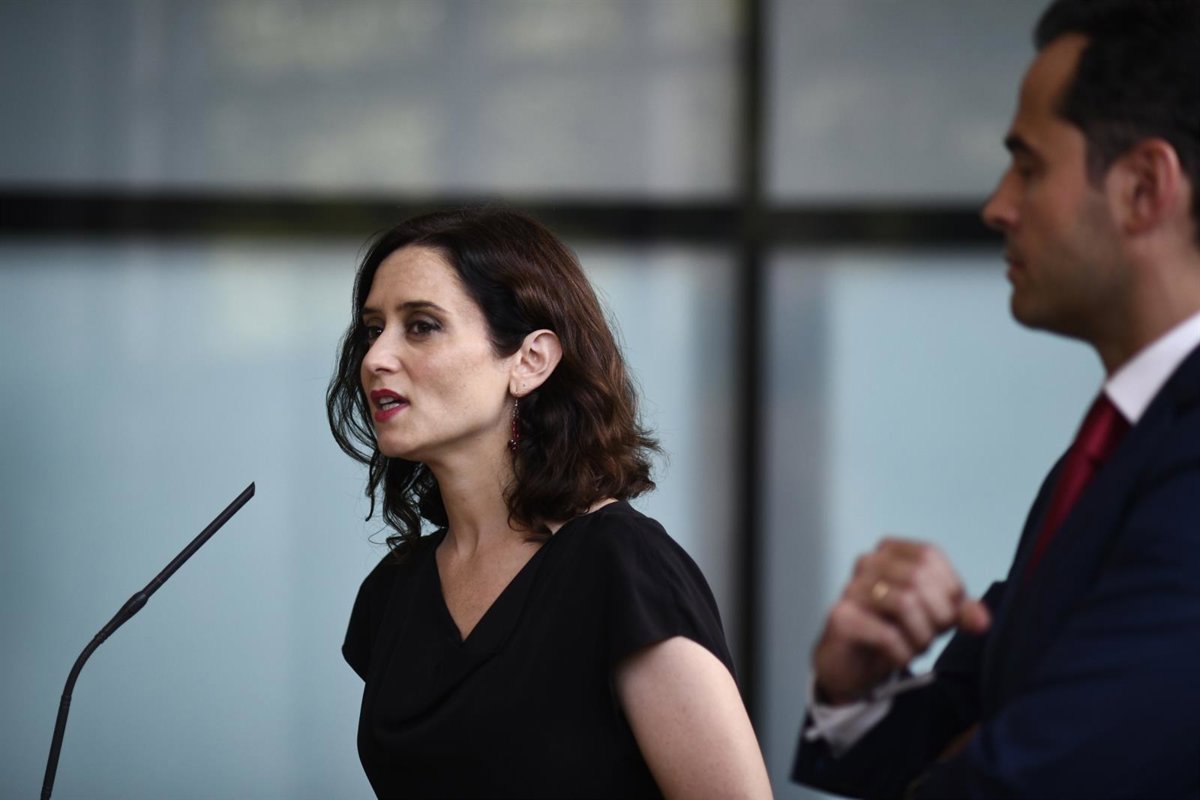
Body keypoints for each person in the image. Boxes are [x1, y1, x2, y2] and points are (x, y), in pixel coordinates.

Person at [792, 1, 1200, 797]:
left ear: (1144, 187)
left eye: (1030, 167)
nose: (997, 206)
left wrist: (977, 750)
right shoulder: (1112, 446)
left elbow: (1030, 776)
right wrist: (852, 694)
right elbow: (980, 711)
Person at [326, 208, 771, 799]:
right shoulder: (392, 593)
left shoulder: (621, 566)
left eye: (422, 326)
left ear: (530, 360)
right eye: (372, 329)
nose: (375, 358)